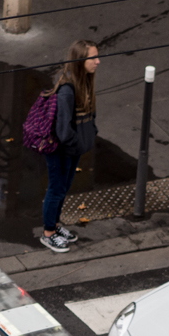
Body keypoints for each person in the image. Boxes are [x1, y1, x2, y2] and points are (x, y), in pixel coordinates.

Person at [40, 40, 100, 253]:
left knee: (63, 188)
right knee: (56, 189)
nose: (97, 61)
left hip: (72, 148)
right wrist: (78, 142)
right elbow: (63, 130)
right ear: (80, 60)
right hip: (61, 150)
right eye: (93, 57)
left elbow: (87, 116)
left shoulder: (84, 81)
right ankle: (48, 234)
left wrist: (90, 134)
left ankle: (55, 227)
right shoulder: (67, 89)